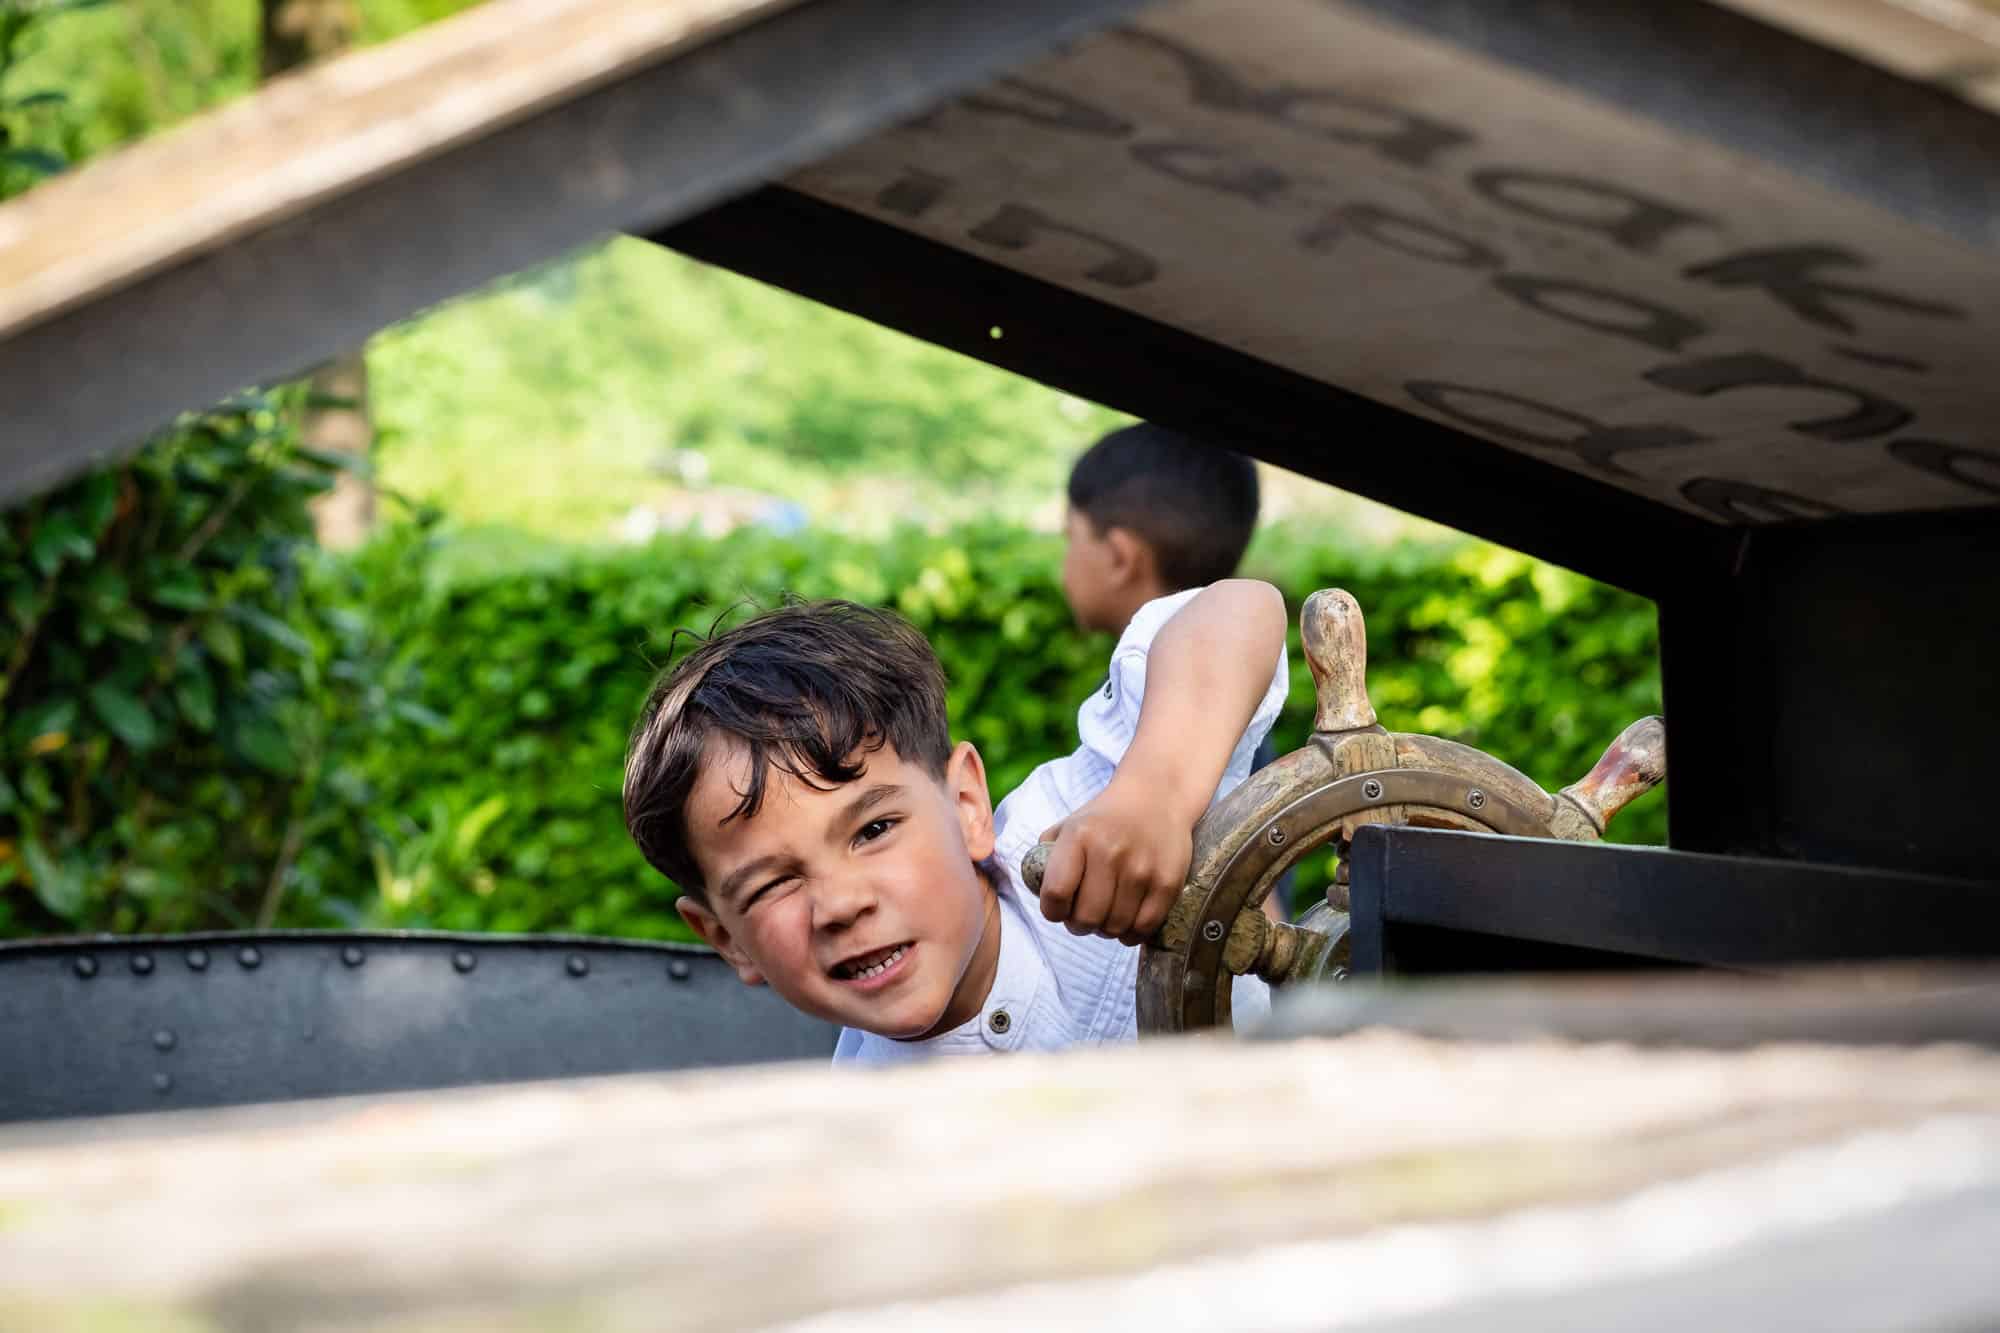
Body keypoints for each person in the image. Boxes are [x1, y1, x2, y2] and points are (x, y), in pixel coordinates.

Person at [622, 580, 1287, 1063]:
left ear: (967, 805)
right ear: (726, 938)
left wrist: (1154, 794)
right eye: (773, 884)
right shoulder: (854, 1133)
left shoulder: (1071, 823)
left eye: (873, 830)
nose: (842, 905)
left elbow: (1237, 608)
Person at [1059, 422, 1295, 920]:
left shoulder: (1194, 704)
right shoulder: (1179, 692)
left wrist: (1154, 798)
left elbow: (1256, 906)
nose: (1064, 562)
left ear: (1120, 557)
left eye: (1070, 538)